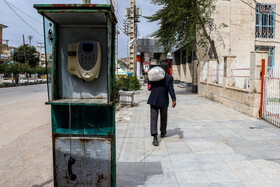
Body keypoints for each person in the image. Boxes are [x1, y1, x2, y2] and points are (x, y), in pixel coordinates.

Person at [147, 61, 176, 146]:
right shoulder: (169, 78)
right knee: (163, 117)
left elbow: (149, 86)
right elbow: (171, 89)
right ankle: (163, 132)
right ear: (167, 69)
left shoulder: (153, 76)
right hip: (163, 100)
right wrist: (174, 99)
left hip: (153, 100)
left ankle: (155, 137)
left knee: (153, 118)